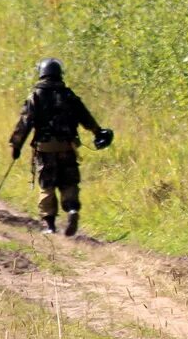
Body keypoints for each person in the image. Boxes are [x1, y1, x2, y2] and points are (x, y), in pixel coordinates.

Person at [8, 58, 113, 235]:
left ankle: (50, 225)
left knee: (47, 185)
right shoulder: (68, 95)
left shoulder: (35, 96)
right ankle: (72, 210)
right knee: (69, 182)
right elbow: (85, 117)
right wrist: (97, 132)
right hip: (67, 147)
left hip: (45, 149)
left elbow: (24, 124)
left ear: (41, 74)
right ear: (58, 74)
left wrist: (16, 146)